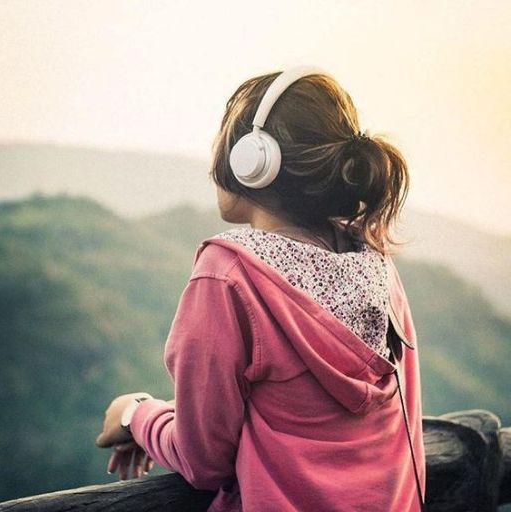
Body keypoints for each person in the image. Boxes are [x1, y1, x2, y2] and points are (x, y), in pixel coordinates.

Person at [96, 66, 426, 511]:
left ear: (251, 161)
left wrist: (136, 414)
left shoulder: (228, 276)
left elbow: (204, 461)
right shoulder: (375, 263)